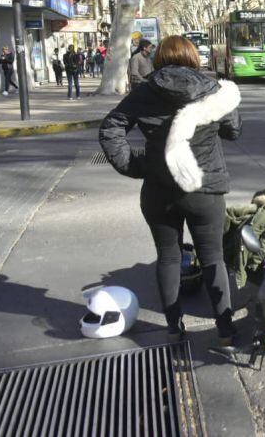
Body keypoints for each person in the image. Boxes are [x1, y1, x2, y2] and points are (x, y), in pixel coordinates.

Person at [98, 35, 242, 345]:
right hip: (205, 189)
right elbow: (233, 131)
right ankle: (226, 331)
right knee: (214, 258)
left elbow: (110, 129)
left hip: (158, 190)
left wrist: (134, 166)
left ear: (159, 58)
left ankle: (175, 329)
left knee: (168, 257)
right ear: (193, 57)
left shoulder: (146, 91)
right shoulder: (213, 89)